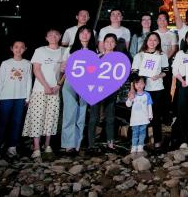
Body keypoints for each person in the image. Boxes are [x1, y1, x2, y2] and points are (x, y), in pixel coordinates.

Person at [22, 29, 64, 158]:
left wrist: (58, 85)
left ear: (60, 36)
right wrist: (46, 86)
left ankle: (47, 145)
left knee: (51, 117)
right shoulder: (40, 50)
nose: (53, 37)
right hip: (40, 89)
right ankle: (36, 147)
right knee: (37, 116)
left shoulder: (64, 51)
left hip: (55, 90)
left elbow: (66, 71)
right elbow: (36, 69)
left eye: (56, 34)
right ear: (46, 38)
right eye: (50, 35)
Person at [0, 40, 32, 160]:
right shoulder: (6, 63)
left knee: (17, 122)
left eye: (21, 47)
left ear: (25, 49)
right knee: (2, 122)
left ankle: (12, 147)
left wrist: (28, 97)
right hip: (5, 97)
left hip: (20, 97)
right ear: (12, 48)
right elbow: (0, 81)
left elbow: (29, 81)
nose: (19, 49)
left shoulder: (27, 63)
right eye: (16, 47)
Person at [59, 26, 94, 154]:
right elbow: (63, 68)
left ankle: (77, 144)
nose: (85, 35)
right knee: (69, 113)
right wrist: (62, 68)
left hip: (86, 84)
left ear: (91, 35)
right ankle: (68, 144)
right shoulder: (70, 50)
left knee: (82, 113)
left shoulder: (94, 51)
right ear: (78, 35)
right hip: (70, 83)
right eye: (82, 32)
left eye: (87, 32)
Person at [131, 32, 169, 148]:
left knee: (155, 115)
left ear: (158, 42)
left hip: (157, 88)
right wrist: (135, 87)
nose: (152, 42)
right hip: (142, 90)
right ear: (146, 41)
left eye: (155, 40)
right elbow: (134, 73)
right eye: (150, 40)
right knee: (142, 115)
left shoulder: (162, 55)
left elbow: (166, 71)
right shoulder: (139, 55)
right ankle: (142, 142)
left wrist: (159, 75)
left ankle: (157, 141)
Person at [86, 32, 118, 152]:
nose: (109, 44)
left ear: (115, 44)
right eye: (107, 41)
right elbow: (90, 74)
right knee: (93, 117)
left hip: (111, 91)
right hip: (97, 90)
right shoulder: (97, 57)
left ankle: (110, 143)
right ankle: (91, 144)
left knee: (110, 117)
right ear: (103, 44)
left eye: (112, 42)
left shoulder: (119, 59)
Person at [126, 76, 153, 155]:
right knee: (135, 133)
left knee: (142, 133)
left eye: (141, 83)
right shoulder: (133, 94)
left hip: (144, 118)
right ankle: (134, 146)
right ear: (134, 85)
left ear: (144, 84)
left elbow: (149, 106)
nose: (139, 85)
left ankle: (140, 146)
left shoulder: (147, 95)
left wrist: (150, 115)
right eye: (137, 84)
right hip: (135, 119)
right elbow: (128, 105)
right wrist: (130, 99)